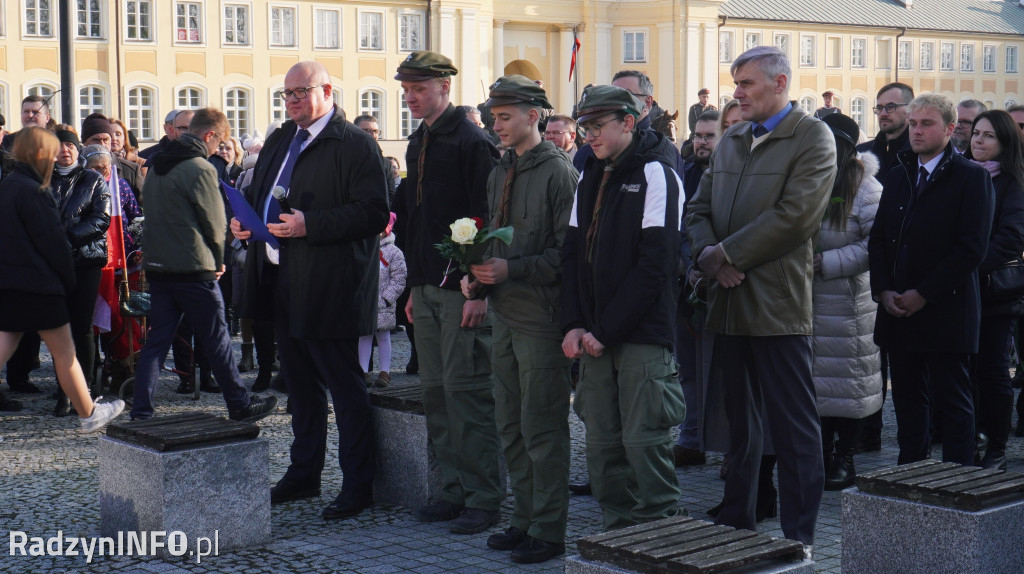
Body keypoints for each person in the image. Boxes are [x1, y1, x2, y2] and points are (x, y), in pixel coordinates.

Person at [686, 46, 835, 552]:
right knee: (739, 430)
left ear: (780, 82)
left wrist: (725, 255)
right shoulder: (731, 138)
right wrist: (709, 252)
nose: (738, 92)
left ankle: (800, 537)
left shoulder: (813, 137)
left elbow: (796, 217)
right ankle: (738, 525)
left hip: (777, 307)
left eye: (747, 82)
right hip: (726, 304)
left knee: (794, 430)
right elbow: (699, 206)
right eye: (736, 82)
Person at [232, 61, 389, 520]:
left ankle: (358, 485)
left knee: (344, 387)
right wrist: (247, 222)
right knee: (299, 386)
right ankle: (304, 474)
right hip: (282, 279)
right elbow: (263, 190)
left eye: (302, 91)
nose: (294, 100)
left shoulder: (355, 143)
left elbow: (374, 213)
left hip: (332, 284)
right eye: (287, 94)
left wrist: (310, 224)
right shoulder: (283, 137)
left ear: (327, 90)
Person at [461, 75, 577, 563]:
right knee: (509, 422)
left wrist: (513, 268)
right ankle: (524, 518)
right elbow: (496, 235)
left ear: (535, 116)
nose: (496, 125)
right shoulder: (499, 169)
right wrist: (481, 279)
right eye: (493, 116)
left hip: (542, 319)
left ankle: (548, 529)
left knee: (543, 426)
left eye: (505, 116)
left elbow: (567, 256)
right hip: (506, 313)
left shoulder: (559, 173)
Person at [562, 84, 685, 530]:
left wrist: (605, 330)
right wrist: (574, 323)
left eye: (597, 126)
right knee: (602, 444)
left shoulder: (657, 173)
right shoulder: (590, 173)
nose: (588, 135)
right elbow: (572, 254)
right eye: (584, 127)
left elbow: (657, 266)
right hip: (594, 334)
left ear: (628, 123)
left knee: (644, 441)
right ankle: (617, 529)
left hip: (640, 335)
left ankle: (661, 529)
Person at [395, 50, 503, 534]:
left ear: (444, 87)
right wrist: (415, 287)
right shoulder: (420, 140)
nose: (410, 96)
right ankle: (454, 490)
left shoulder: (471, 141)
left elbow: (487, 220)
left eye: (419, 88)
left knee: (468, 396)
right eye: (406, 89)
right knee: (436, 396)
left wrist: (478, 289)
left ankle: (484, 498)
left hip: (462, 289)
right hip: (428, 286)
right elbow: (417, 223)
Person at [868, 93, 994, 467]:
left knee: (953, 401)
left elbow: (971, 249)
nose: (917, 131)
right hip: (898, 308)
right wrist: (884, 290)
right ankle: (910, 472)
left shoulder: (970, 177)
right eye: (913, 124)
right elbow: (879, 239)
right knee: (907, 400)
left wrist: (923, 294)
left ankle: (959, 480)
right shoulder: (898, 172)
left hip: (946, 308)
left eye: (927, 124)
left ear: (950, 129)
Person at [130, 107, 278, 424]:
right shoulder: (200, 168)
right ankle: (239, 404)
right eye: (219, 143)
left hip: (158, 266)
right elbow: (214, 222)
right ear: (209, 135)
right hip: (194, 267)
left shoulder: (155, 167)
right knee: (217, 338)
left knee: (157, 342)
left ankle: (141, 410)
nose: (218, 150)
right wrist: (219, 260)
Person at [0, 126, 125, 430]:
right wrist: (66, 278)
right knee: (65, 350)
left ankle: (86, 410)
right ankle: (89, 413)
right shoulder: (34, 188)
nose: (59, 152)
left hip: (12, 280)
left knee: (7, 343)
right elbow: (52, 241)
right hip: (39, 283)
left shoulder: (9, 184)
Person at [810, 113, 883, 491]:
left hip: (849, 303)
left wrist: (828, 262)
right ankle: (819, 455)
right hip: (807, 299)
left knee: (850, 383)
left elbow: (877, 244)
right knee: (818, 384)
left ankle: (846, 457)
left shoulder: (865, 187)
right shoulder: (807, 179)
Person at [962, 110, 1024, 470]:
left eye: (988, 136)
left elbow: (1010, 240)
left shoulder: (1013, 183)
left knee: (993, 371)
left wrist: (967, 265)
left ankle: (997, 448)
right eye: (976, 134)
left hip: (994, 294)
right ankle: (969, 438)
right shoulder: (962, 176)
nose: (979, 141)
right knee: (962, 371)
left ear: (1004, 143)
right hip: (959, 291)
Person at [673, 108, 720, 468]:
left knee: (718, 372)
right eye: (698, 136)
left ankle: (727, 446)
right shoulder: (685, 172)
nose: (702, 142)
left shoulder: (731, 177)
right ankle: (692, 438)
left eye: (710, 136)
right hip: (684, 286)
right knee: (688, 368)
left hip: (719, 286)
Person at [360, 212, 407, 388]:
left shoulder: (394, 252)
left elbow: (399, 279)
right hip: (366, 302)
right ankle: (363, 369)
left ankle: (385, 371)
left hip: (384, 303)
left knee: (383, 336)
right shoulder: (365, 249)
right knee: (364, 336)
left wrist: (386, 299)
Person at [857, 83, 914, 182]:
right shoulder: (861, 153)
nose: (883, 113)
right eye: (879, 108)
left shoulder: (919, 154)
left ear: (909, 110)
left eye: (891, 107)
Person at [81, 113, 144, 199]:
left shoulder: (130, 171)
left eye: (106, 140)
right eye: (96, 140)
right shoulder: (76, 170)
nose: (102, 144)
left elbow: (142, 206)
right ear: (85, 142)